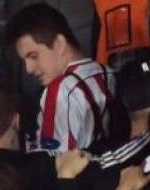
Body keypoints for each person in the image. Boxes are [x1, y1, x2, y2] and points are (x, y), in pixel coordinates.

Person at [6, 3, 117, 153]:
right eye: (24, 61)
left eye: (33, 56)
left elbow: (53, 162)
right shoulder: (108, 74)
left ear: (59, 44)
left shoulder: (61, 90)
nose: (28, 69)